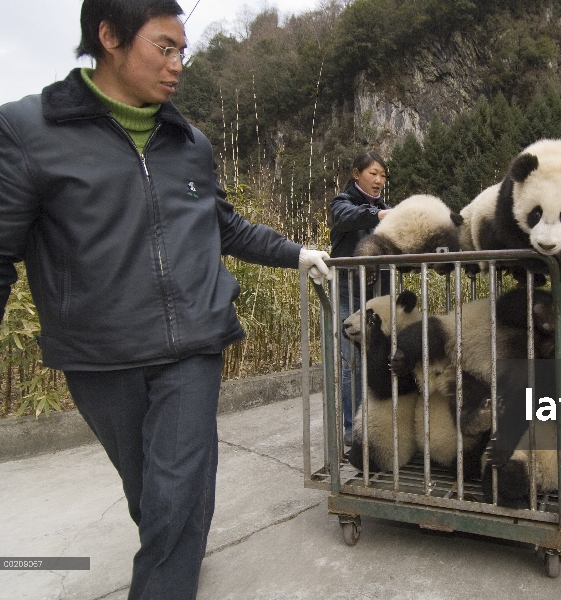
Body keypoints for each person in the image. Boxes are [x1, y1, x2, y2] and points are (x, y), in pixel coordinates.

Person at [0, 1, 331, 597]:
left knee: (179, 486)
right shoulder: (28, 132)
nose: (178, 64)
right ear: (108, 37)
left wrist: (296, 253)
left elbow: (224, 225)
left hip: (195, 343)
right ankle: (173, 554)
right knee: (151, 493)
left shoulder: (189, 142)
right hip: (99, 353)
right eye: (164, 47)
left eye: (183, 50)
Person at [329, 151, 390, 446]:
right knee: (352, 362)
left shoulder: (387, 210)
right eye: (373, 173)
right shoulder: (342, 204)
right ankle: (352, 428)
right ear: (356, 174)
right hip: (347, 294)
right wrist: (378, 215)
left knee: (382, 359)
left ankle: (379, 424)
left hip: (379, 297)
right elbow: (347, 219)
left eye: (382, 175)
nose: (378, 180)